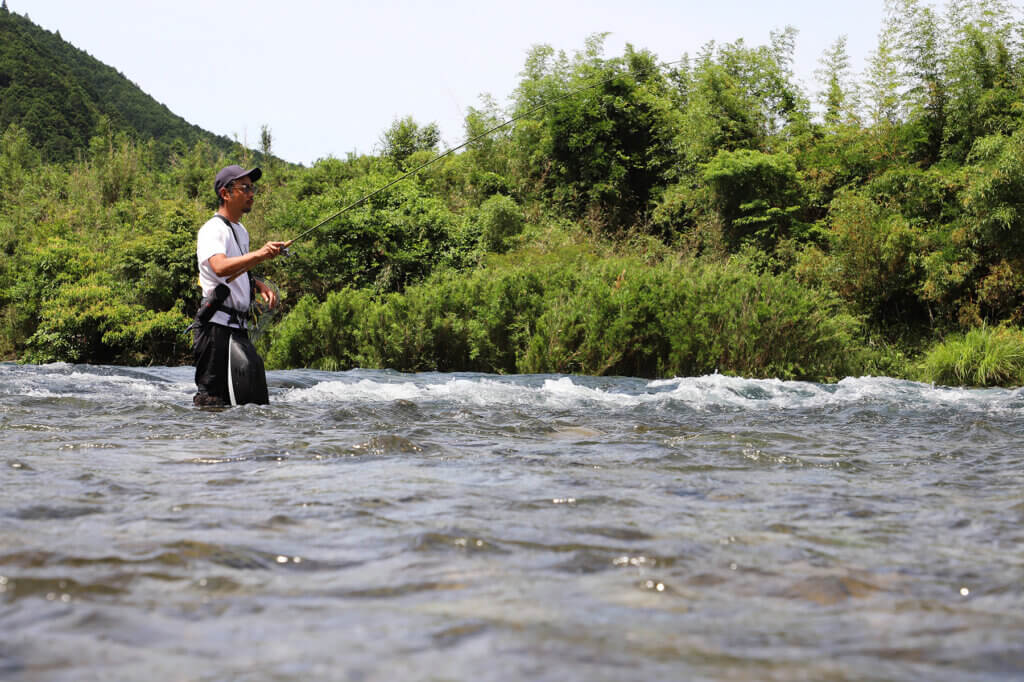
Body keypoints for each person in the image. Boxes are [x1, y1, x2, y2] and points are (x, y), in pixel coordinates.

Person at [192, 165, 291, 406]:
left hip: (237, 328)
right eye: (244, 188)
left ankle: (236, 446)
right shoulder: (212, 229)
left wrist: (256, 284)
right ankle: (205, 444)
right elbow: (220, 267)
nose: (251, 193)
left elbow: (237, 270)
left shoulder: (241, 231)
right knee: (211, 401)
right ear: (226, 194)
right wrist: (261, 254)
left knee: (246, 403)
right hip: (215, 329)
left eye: (252, 188)